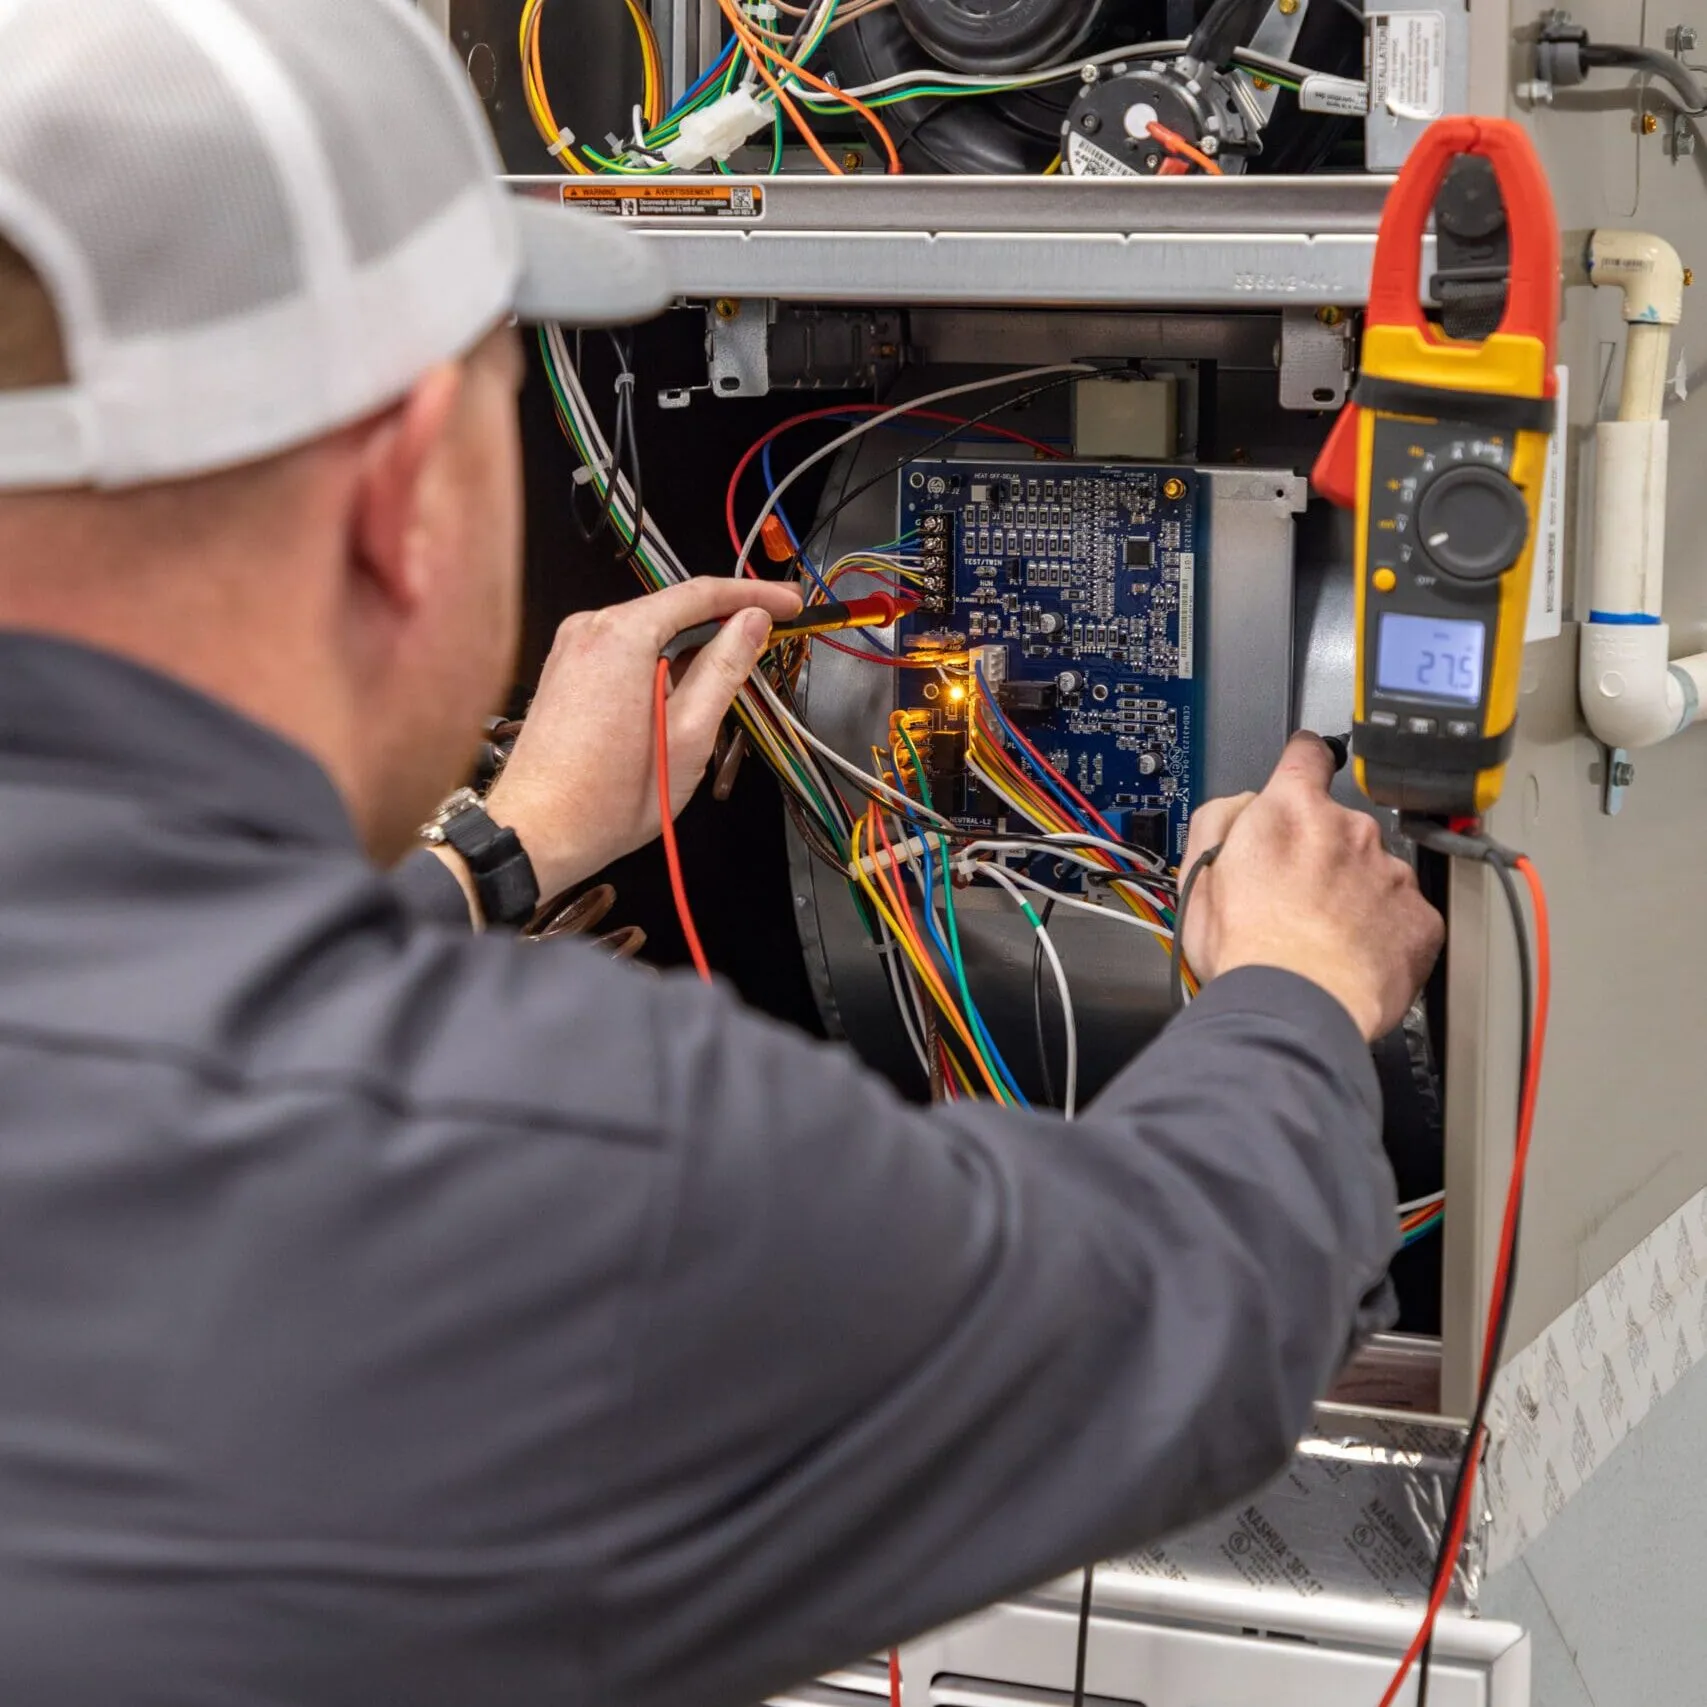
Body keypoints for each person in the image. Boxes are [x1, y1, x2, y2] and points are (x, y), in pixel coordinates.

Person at [0, 5, 1443, 1706]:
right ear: (406, 499)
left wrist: (496, 857)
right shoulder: (553, 1161)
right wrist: (1292, 984)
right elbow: (1173, 1320)